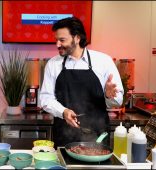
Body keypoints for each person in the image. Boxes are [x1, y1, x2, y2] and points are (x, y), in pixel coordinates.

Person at [40, 17, 124, 147]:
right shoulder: (53, 64)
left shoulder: (103, 61)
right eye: (56, 40)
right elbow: (45, 99)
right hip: (64, 137)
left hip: (97, 137)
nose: (57, 44)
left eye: (62, 40)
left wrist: (108, 95)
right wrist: (63, 112)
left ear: (77, 38)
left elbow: (118, 101)